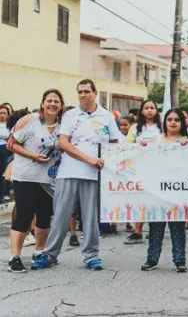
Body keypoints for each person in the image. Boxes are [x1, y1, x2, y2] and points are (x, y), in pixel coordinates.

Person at [32, 79, 122, 271]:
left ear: (95, 93)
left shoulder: (106, 116)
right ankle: (49, 254)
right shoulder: (70, 115)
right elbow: (64, 143)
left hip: (93, 173)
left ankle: (91, 255)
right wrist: (87, 159)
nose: (83, 95)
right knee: (61, 215)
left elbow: (117, 142)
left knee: (90, 216)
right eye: (80, 92)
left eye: (87, 91)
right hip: (68, 171)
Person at [6, 90, 64, 273]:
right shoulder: (30, 121)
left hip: (50, 179)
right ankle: (14, 257)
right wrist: (33, 156)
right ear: (42, 103)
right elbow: (11, 144)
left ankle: (40, 252)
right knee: (24, 215)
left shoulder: (64, 125)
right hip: (26, 176)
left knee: (45, 216)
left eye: (56, 101)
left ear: (61, 105)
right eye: (49, 101)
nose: (53, 104)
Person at [140, 108, 188, 272]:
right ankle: (152, 259)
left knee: (178, 227)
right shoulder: (156, 140)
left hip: (177, 190)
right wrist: (141, 148)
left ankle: (180, 260)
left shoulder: (186, 141)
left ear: (182, 123)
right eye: (169, 119)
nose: (173, 122)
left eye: (176, 119)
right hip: (157, 190)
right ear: (165, 122)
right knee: (156, 226)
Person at [124, 100, 163, 245]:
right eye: (146, 108)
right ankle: (137, 231)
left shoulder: (162, 127)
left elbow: (176, 137)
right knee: (140, 200)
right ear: (141, 111)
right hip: (139, 169)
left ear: (156, 110)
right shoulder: (135, 128)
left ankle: (154, 231)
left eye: (152, 108)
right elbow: (125, 146)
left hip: (158, 169)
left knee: (155, 200)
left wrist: (186, 141)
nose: (149, 111)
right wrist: (136, 145)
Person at [0, 104, 12, 202]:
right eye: (0, 113)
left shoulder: (10, 124)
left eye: (4, 113)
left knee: (4, 172)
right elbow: (7, 136)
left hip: (6, 149)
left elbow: (11, 136)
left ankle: (3, 194)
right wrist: (5, 136)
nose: (2, 115)